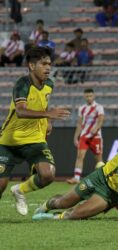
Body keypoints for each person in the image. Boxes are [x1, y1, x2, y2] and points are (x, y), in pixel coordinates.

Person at [0, 46, 71, 216]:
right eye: (43, 64)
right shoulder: (22, 84)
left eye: (49, 64)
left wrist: (47, 121)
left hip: (35, 139)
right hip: (10, 141)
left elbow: (43, 104)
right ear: (32, 66)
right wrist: (48, 114)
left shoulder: (49, 84)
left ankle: (20, 190)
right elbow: (21, 111)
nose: (48, 67)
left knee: (48, 175)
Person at [66, 88, 105, 184]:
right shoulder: (82, 108)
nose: (88, 98)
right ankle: (76, 178)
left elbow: (101, 120)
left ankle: (103, 179)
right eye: (87, 96)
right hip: (84, 136)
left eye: (90, 96)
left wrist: (96, 128)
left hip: (96, 137)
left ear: (94, 96)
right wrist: (76, 137)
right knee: (80, 156)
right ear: (84, 96)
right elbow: (79, 124)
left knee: (99, 160)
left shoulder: (99, 107)